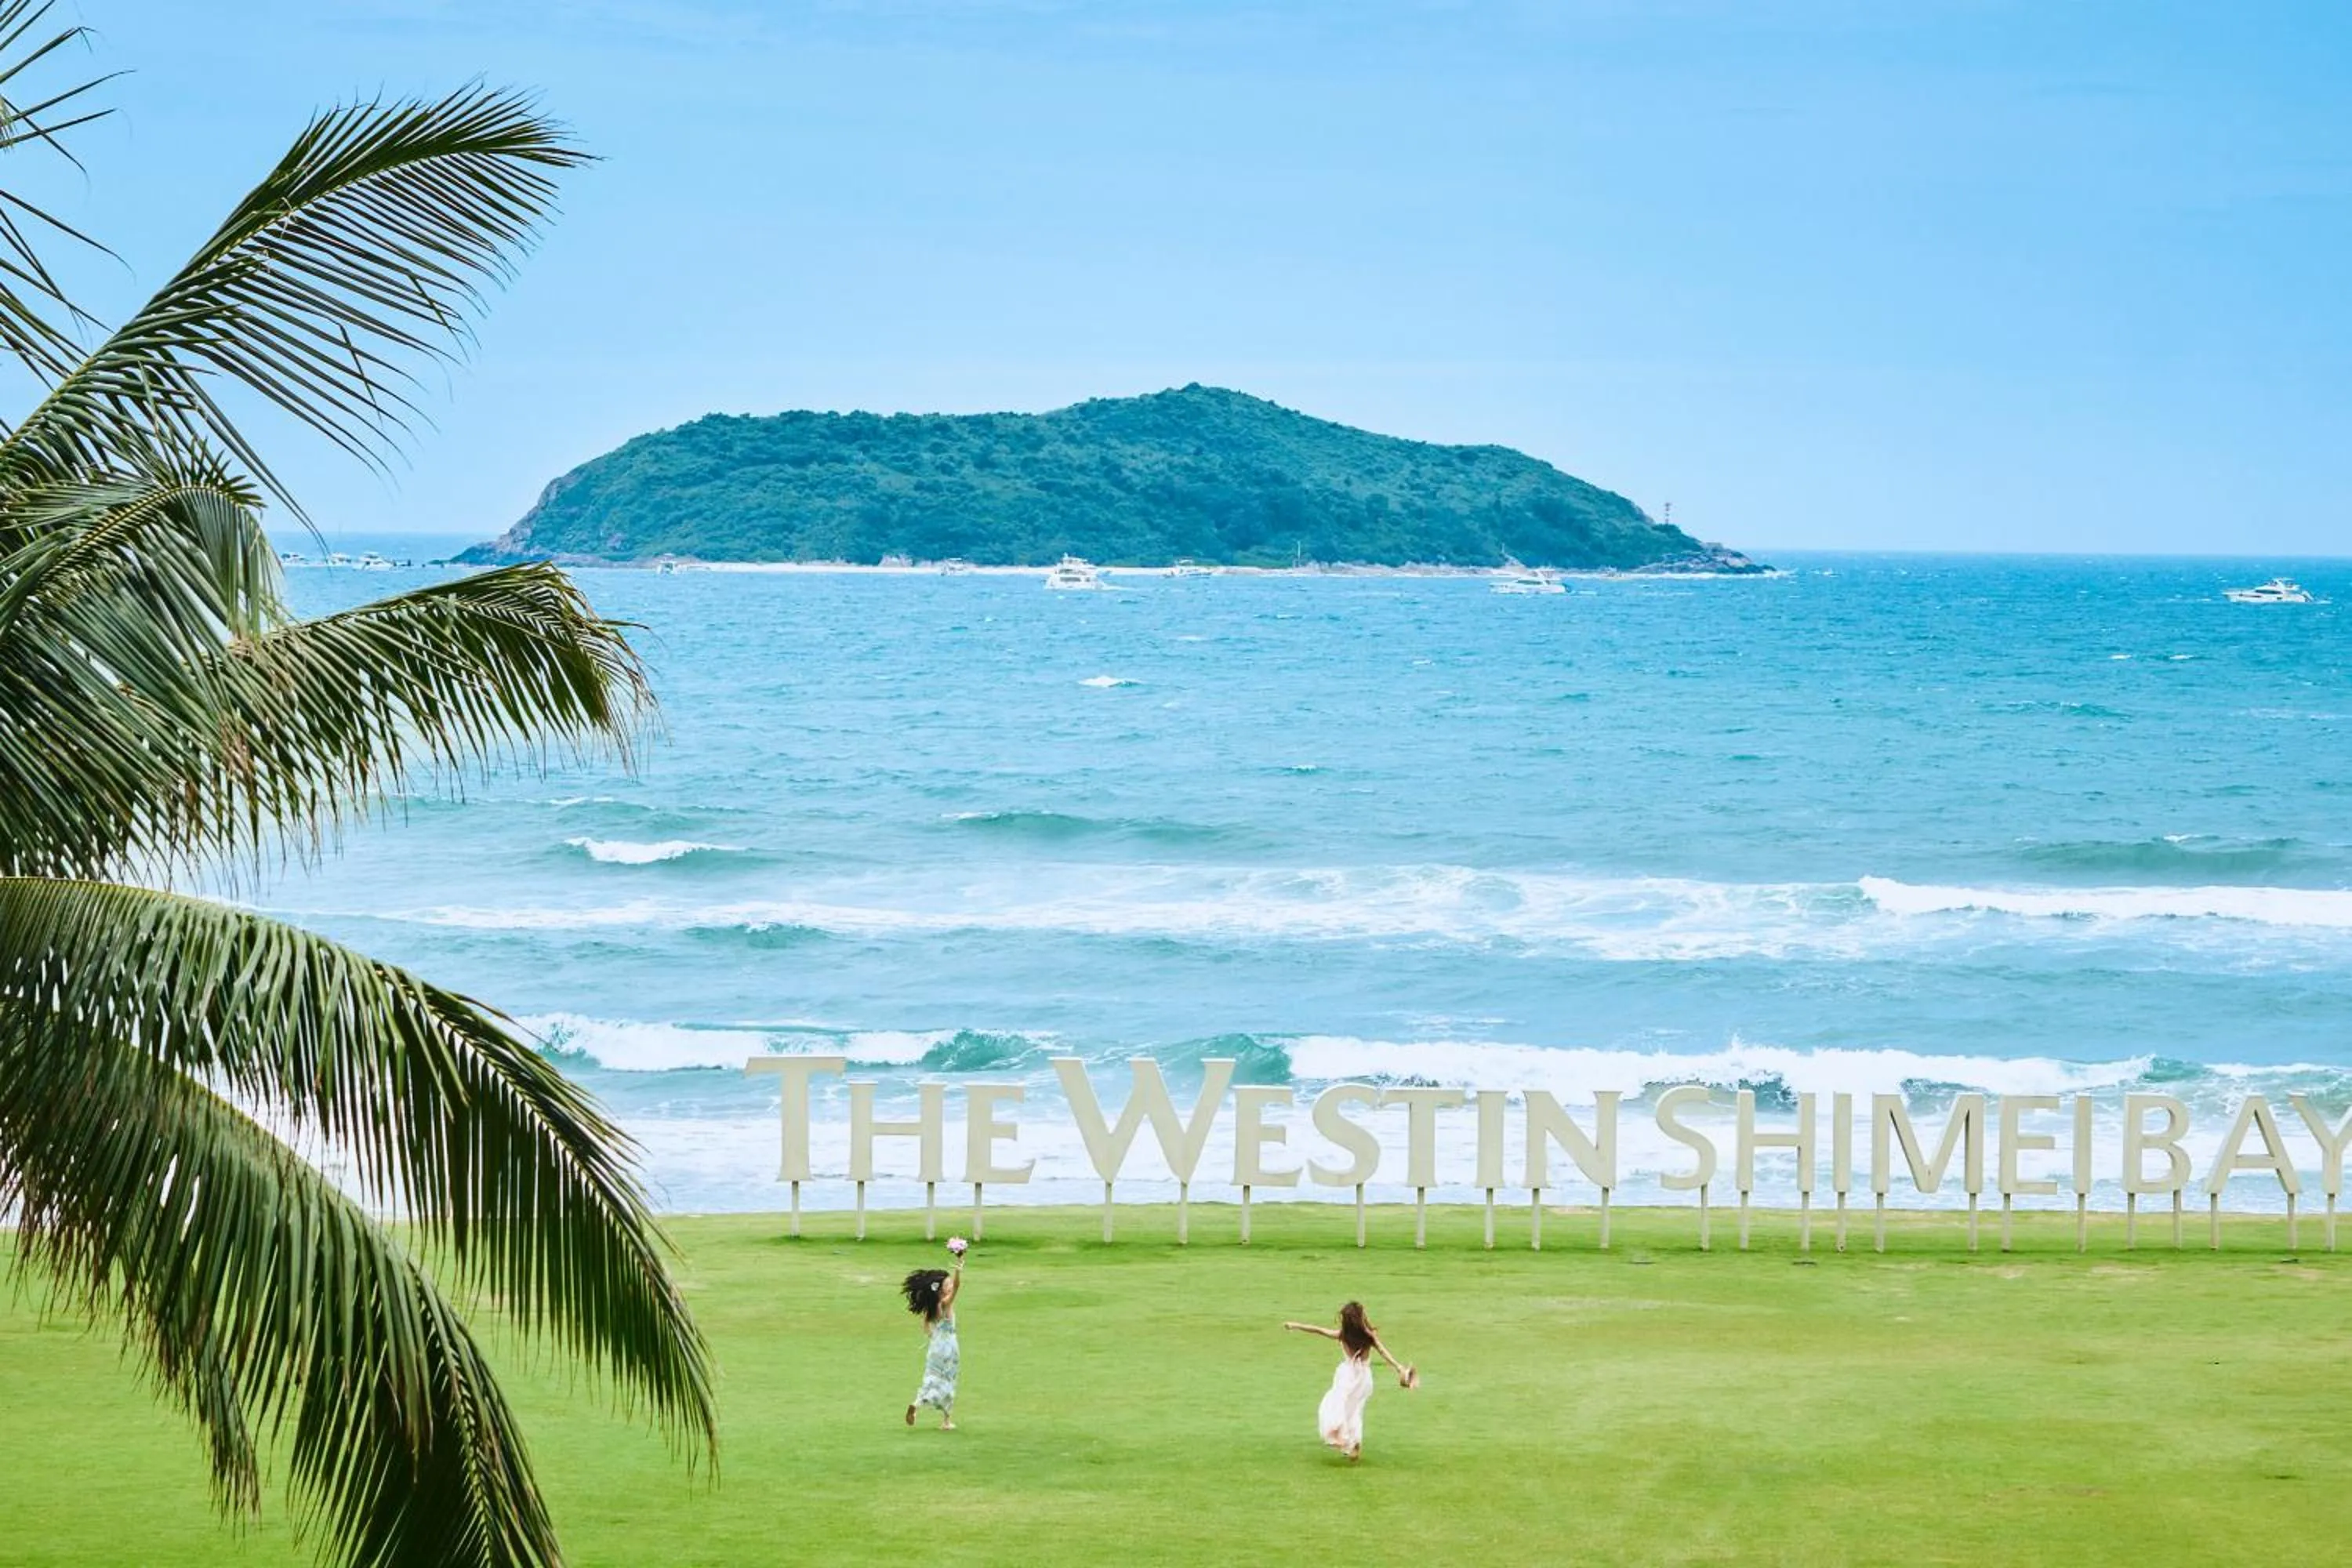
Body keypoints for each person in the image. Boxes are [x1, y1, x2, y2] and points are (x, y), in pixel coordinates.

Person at [1283, 1301, 1416, 1461]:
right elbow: (1384, 1352)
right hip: (1364, 1378)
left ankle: (1339, 1435)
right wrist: (1399, 1368)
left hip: (1347, 1376)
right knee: (1354, 1410)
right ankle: (1353, 1443)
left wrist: (1295, 1325)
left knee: (1335, 1403)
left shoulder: (1342, 1335)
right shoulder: (1369, 1337)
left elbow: (1318, 1330)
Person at [902, 1237, 967, 1430]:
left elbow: (926, 1326)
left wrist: (932, 1337)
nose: (949, 1286)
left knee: (931, 1377)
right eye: (946, 1284)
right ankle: (946, 1421)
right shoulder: (945, 1304)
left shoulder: (932, 1308)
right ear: (942, 1290)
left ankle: (917, 1403)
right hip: (949, 1345)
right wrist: (958, 1268)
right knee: (949, 1378)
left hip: (936, 1346)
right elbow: (957, 1287)